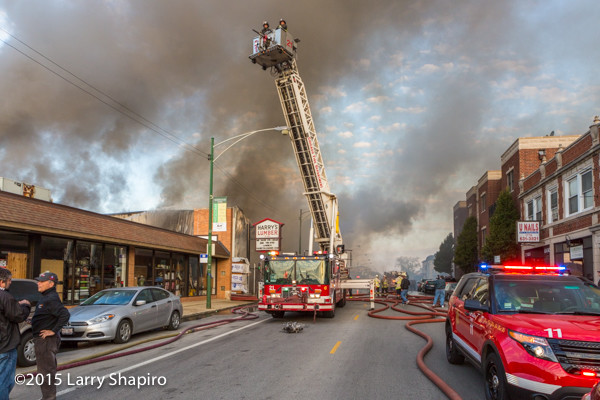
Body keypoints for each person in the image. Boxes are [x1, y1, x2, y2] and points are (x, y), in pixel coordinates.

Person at [32, 271, 70, 400]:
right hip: (43, 341)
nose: (39, 283)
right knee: (45, 371)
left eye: (42, 281)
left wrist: (53, 330)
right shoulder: (46, 297)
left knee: (46, 372)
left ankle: (49, 398)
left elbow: (65, 315)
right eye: (39, 281)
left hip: (46, 342)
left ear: (51, 283)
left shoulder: (51, 299)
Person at [0, 268, 31, 400]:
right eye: (9, 280)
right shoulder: (5, 297)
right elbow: (18, 316)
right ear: (2, 282)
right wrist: (26, 306)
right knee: (4, 381)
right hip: (5, 345)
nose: (10, 283)